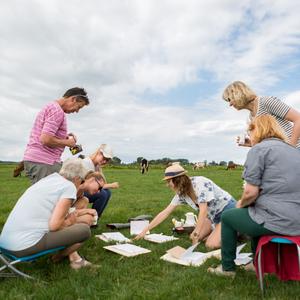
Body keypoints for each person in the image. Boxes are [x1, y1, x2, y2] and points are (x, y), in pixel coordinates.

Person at [208, 115, 300, 276]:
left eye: (249, 132)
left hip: (278, 221)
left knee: (229, 216)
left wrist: (240, 204)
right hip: (297, 220)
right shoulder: (294, 151)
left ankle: (227, 268)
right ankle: (256, 263)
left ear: (256, 130)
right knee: (255, 211)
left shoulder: (258, 150)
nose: (249, 136)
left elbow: (251, 192)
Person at [0, 158, 103, 270]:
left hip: (4, 244)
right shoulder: (69, 186)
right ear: (77, 178)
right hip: (21, 248)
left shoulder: (49, 179)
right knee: (84, 230)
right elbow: (54, 226)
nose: (81, 183)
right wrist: (69, 222)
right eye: (82, 180)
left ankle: (71, 257)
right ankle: (60, 259)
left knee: (81, 222)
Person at [135, 164, 236, 249]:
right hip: (212, 217)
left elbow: (203, 210)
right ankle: (218, 230)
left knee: (210, 245)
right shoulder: (181, 193)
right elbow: (165, 212)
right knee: (194, 237)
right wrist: (144, 231)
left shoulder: (200, 183)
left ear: (178, 180)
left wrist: (196, 232)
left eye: (168, 181)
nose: (167, 185)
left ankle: (237, 231)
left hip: (228, 211)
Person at [23, 87, 90, 184]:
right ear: (73, 99)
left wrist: (64, 137)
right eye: (79, 107)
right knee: (49, 197)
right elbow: (45, 139)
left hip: (37, 159)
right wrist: (68, 143)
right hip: (44, 161)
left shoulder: (51, 107)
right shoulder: (57, 111)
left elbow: (45, 134)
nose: (77, 111)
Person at [222, 81, 300, 148]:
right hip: (282, 155)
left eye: (229, 99)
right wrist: (251, 144)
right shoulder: (251, 117)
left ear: (237, 94)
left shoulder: (265, 102)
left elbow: (298, 119)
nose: (230, 104)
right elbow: (269, 142)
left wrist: (291, 148)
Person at [80, 144, 119, 219]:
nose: (105, 161)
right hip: (80, 191)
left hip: (85, 190)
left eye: (107, 160)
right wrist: (111, 185)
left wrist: (100, 169)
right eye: (104, 158)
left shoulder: (96, 165)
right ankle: (92, 218)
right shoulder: (87, 163)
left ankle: (96, 218)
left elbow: (103, 182)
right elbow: (92, 185)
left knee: (107, 192)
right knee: (103, 194)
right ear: (98, 152)